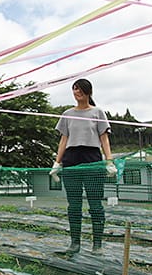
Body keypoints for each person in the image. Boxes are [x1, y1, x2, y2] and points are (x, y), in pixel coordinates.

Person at [49, 78, 116, 255]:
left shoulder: (97, 112)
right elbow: (63, 139)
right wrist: (57, 162)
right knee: (74, 204)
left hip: (92, 158)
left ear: (88, 91)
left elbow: (104, 138)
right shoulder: (67, 113)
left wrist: (109, 161)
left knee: (95, 203)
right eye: (74, 89)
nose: (76, 92)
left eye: (79, 89)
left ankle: (97, 244)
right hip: (71, 159)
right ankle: (75, 243)